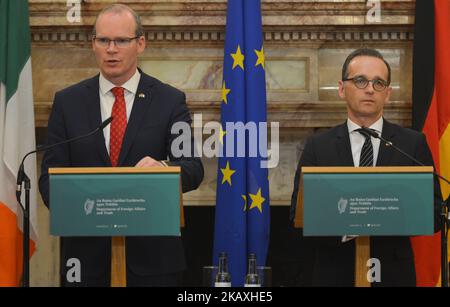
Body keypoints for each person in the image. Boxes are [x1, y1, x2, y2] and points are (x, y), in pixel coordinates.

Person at [39, 4, 204, 286]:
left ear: (140, 43)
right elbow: (48, 182)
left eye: (121, 41)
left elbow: (192, 168)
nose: (111, 49)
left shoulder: (168, 100)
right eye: (103, 40)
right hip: (85, 260)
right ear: (93, 45)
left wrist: (163, 167)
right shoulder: (68, 102)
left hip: (153, 261)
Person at [290, 48, 442, 286]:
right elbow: (297, 214)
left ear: (388, 93)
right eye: (360, 80)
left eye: (379, 83)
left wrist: (376, 216)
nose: (370, 89)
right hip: (335, 272)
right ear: (342, 88)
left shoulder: (411, 143)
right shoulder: (318, 146)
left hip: (393, 274)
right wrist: (354, 224)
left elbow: (435, 213)